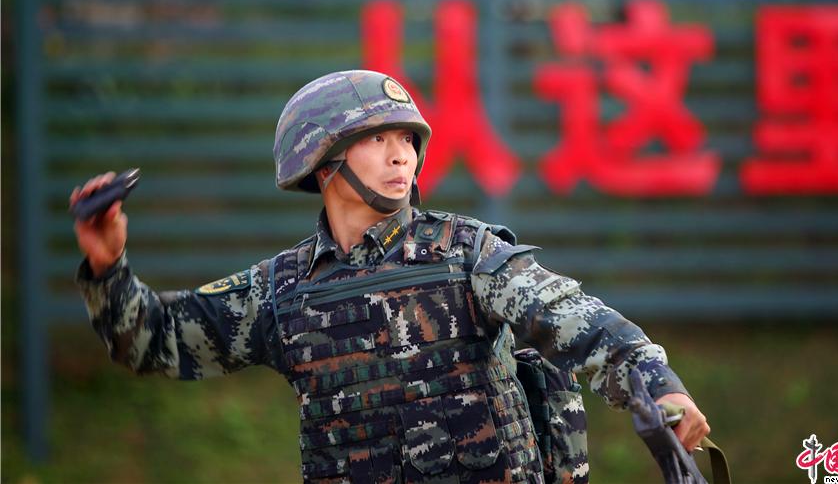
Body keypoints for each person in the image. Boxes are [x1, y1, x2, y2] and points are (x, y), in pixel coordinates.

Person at [72, 70, 709, 484]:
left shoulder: (467, 255)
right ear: (322, 161)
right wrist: (108, 268)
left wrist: (661, 389)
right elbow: (154, 340)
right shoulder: (280, 292)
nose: (401, 151)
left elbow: (581, 322)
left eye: (406, 136)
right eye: (376, 138)